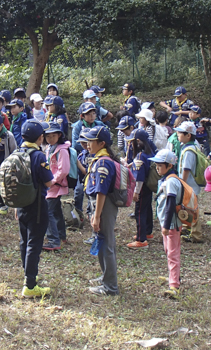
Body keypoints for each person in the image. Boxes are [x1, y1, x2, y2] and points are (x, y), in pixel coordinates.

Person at [16, 119, 54, 298]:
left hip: (21, 203)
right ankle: (30, 285)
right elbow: (48, 181)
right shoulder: (38, 156)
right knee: (34, 243)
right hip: (37, 205)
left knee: (24, 241)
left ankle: (27, 275)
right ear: (40, 138)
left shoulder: (18, 151)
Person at [84, 126, 119, 296]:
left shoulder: (104, 162)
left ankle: (110, 287)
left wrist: (97, 216)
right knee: (102, 241)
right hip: (98, 206)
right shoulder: (98, 159)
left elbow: (101, 191)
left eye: (91, 141)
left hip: (103, 207)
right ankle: (106, 276)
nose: (87, 144)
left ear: (102, 143)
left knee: (107, 245)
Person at [149, 149, 182, 298]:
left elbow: (170, 204)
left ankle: (174, 285)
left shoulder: (171, 181)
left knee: (173, 254)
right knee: (168, 251)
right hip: (166, 223)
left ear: (169, 166)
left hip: (172, 224)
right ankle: (172, 276)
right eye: (156, 165)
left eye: (160, 165)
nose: (157, 168)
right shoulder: (165, 179)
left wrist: (167, 226)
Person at [42, 122, 71, 251]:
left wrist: (51, 181)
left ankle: (54, 240)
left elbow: (63, 170)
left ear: (59, 135)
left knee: (48, 212)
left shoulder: (62, 150)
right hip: (52, 185)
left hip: (55, 185)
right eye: (48, 136)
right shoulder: (50, 148)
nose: (50, 138)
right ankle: (61, 235)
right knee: (56, 211)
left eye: (53, 136)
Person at [174, 121, 203, 243]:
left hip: (189, 185)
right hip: (191, 185)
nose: (178, 134)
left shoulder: (189, 151)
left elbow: (186, 168)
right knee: (188, 207)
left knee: (193, 209)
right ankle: (187, 227)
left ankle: (196, 234)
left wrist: (182, 183)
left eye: (180, 133)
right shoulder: (193, 146)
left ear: (188, 135)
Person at [127, 129, 156, 249]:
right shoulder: (150, 153)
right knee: (147, 208)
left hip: (142, 187)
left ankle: (141, 239)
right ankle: (148, 232)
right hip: (148, 186)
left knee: (139, 212)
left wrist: (136, 192)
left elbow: (139, 177)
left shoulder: (140, 156)